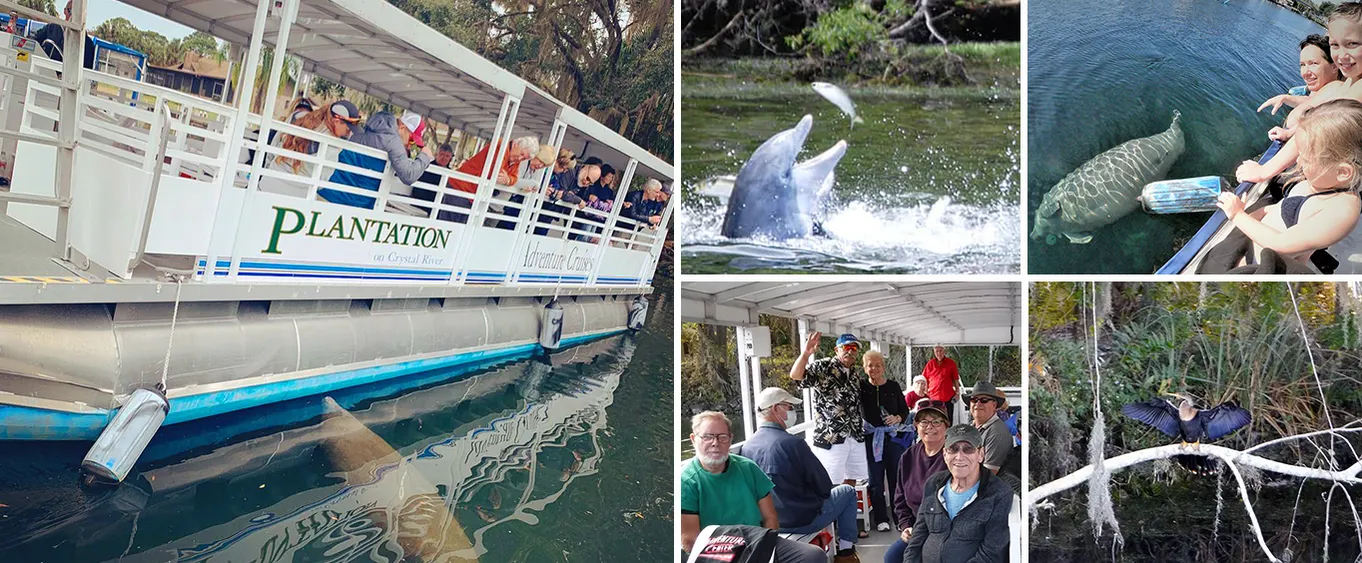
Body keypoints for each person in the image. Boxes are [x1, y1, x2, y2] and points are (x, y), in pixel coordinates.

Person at [1202, 99, 1362, 273]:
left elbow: (1279, 244)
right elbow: (1280, 209)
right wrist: (1248, 215)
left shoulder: (1341, 212)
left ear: (1343, 172)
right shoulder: (1324, 180)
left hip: (1259, 265)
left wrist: (1238, 215)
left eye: (1306, 159)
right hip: (1253, 242)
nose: (1298, 161)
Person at [1238, 4, 1362, 185]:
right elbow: (1317, 112)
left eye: (1352, 44)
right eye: (1334, 45)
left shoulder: (1357, 91)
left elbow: (1315, 131)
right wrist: (1289, 133)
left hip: (1324, 186)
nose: (1341, 55)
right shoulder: (1350, 81)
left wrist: (1263, 172)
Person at [680, 411, 826, 563]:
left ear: (730, 440)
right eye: (707, 437)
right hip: (715, 553)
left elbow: (770, 517)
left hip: (756, 542)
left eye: (722, 437)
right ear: (693, 439)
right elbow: (691, 542)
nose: (715, 443)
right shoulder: (686, 481)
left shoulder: (748, 467)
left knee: (814, 555)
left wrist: (763, 549)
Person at [739, 388, 862, 563]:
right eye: (788, 407)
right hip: (802, 520)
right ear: (775, 409)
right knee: (848, 491)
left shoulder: (747, 447)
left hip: (767, 522)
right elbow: (824, 486)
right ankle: (846, 553)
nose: (792, 412)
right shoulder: (793, 443)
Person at [903, 424, 1011, 563]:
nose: (959, 457)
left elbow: (992, 554)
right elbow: (917, 539)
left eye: (968, 449)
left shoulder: (999, 493)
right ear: (945, 454)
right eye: (953, 449)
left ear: (981, 455)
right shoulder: (933, 484)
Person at [789, 332, 867, 490]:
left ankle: (846, 511)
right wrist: (806, 353)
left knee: (851, 479)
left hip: (854, 434)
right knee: (831, 482)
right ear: (836, 350)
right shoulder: (823, 367)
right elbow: (796, 375)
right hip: (831, 436)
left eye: (854, 348)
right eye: (846, 347)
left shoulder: (855, 374)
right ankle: (832, 514)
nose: (850, 351)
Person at [321, 110, 434, 209]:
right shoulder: (393, 141)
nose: (410, 145)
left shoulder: (366, 130)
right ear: (403, 128)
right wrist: (425, 157)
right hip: (354, 203)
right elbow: (408, 176)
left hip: (328, 190)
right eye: (411, 140)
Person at [883, 401, 949, 563]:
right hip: (916, 528)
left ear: (947, 425)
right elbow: (899, 497)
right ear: (916, 425)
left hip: (945, 531)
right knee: (892, 557)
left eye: (936, 421)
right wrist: (906, 526)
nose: (929, 426)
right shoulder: (908, 456)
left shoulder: (954, 456)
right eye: (924, 421)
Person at [258, 100, 361, 197]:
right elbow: (321, 183)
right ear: (336, 121)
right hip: (294, 198)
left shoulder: (297, 117)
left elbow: (274, 145)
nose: (349, 133)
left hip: (267, 184)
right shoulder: (332, 145)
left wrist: (267, 170)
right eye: (348, 129)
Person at [859, 350, 910, 533]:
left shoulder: (893, 386)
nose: (874, 368)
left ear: (883, 367)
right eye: (870, 365)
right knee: (875, 480)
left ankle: (899, 517)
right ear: (865, 368)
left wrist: (897, 417)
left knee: (896, 478)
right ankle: (881, 518)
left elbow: (905, 411)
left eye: (877, 365)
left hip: (893, 439)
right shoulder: (861, 386)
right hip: (871, 439)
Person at [1258, 34, 1344, 141]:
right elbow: (1315, 101)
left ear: (1334, 67)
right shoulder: (1325, 93)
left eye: (1313, 63)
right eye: (1302, 65)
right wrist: (1286, 98)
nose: (1305, 73)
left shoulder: (1336, 90)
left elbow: (1315, 120)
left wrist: (1288, 133)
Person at [966, 381, 1014, 476]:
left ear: (994, 405)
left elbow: (988, 475)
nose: (978, 403)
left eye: (984, 400)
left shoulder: (997, 433)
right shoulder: (970, 427)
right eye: (974, 400)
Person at [31, 2, 94, 69]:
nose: (73, 17)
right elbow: (33, 42)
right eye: (70, 11)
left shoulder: (87, 43)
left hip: (68, 78)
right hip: (45, 71)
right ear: (65, 11)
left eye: (77, 14)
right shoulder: (51, 28)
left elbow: (87, 69)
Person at [921, 346, 962, 423]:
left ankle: (947, 435)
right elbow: (923, 379)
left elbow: (955, 379)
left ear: (944, 351)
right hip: (933, 398)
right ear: (934, 352)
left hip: (948, 397)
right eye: (937, 351)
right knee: (934, 420)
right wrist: (925, 391)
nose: (939, 353)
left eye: (940, 351)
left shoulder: (951, 363)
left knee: (948, 420)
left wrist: (957, 392)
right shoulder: (930, 364)